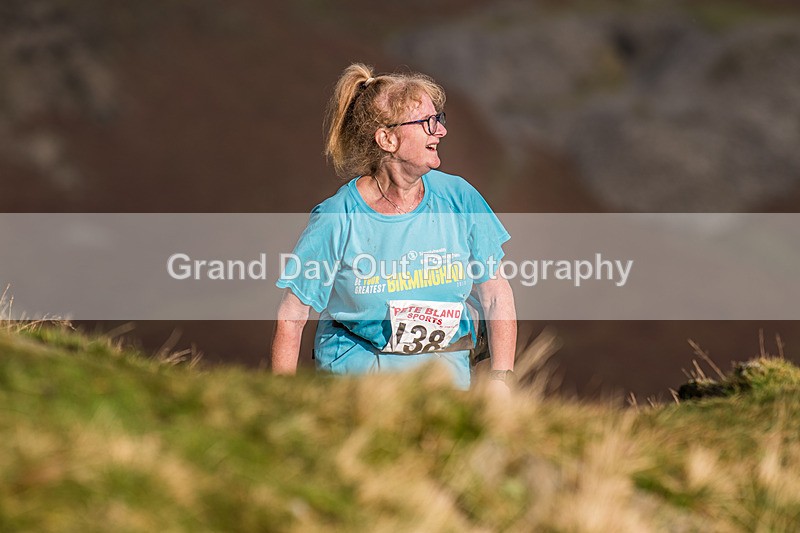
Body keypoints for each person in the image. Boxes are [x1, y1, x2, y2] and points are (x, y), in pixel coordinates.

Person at [270, 63, 516, 390]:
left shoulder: (460, 197)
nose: (440, 131)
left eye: (438, 119)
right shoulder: (337, 217)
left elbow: (496, 294)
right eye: (426, 123)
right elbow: (292, 316)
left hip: (443, 392)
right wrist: (281, 400)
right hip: (354, 393)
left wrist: (501, 380)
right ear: (387, 138)